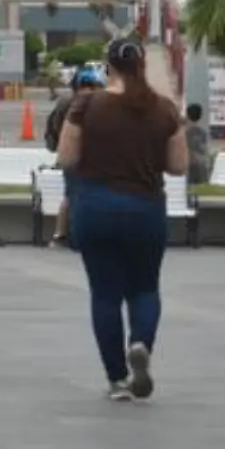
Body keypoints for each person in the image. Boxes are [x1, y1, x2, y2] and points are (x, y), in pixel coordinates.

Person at [57, 36, 188, 402]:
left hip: (95, 208)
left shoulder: (86, 104)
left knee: (105, 294)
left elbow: (66, 157)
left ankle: (117, 380)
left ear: (108, 66)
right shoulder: (164, 109)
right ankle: (141, 342)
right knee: (145, 288)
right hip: (145, 209)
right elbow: (179, 166)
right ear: (142, 64)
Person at [46, 68, 104, 246]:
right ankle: (70, 234)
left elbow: (53, 129)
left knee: (71, 195)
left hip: (74, 157)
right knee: (83, 194)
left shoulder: (66, 102)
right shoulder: (95, 104)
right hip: (88, 158)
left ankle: (61, 235)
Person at [185, 103, 213, 185]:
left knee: (190, 191)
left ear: (187, 116)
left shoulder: (186, 133)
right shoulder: (203, 133)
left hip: (189, 165)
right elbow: (205, 149)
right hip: (202, 165)